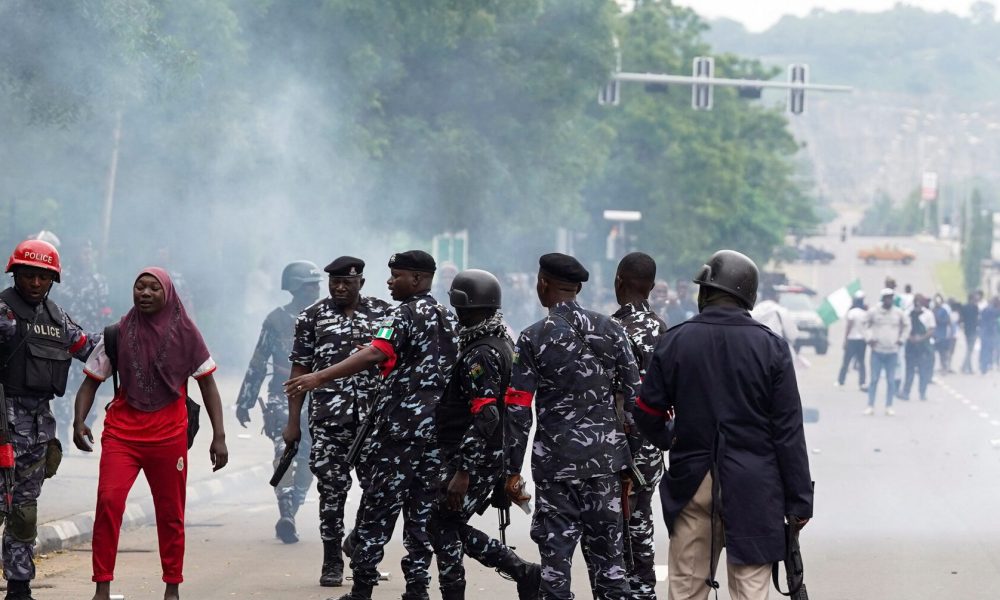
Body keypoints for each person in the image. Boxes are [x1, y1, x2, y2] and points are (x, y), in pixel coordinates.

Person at [634, 249, 813, 600]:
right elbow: (788, 432)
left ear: (706, 293)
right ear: (748, 296)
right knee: (750, 588)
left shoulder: (676, 340)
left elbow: (647, 413)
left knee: (686, 587)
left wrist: (672, 437)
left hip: (692, 481)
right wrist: (799, 501)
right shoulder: (772, 347)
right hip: (754, 486)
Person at [284, 250, 458, 600]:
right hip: (431, 430)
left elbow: (377, 352)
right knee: (419, 512)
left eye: (396, 275)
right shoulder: (447, 316)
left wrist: (320, 377)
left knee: (377, 508)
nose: (390, 281)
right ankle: (417, 587)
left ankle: (361, 588)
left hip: (397, 430)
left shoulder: (400, 313)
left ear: (417, 279)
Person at [73, 267, 229, 600]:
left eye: (153, 288)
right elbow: (90, 382)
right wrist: (78, 420)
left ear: (168, 294)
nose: (144, 293)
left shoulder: (187, 333)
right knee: (108, 503)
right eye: (139, 287)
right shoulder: (116, 333)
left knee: (171, 514)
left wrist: (219, 436)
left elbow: (208, 385)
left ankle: (172, 586)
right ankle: (102, 586)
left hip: (169, 436)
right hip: (122, 435)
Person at [506, 253, 640, 600]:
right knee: (611, 571)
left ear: (543, 284)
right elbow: (634, 401)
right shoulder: (612, 330)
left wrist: (511, 470)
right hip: (605, 467)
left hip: (556, 470)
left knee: (555, 573)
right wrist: (629, 462)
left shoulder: (533, 338)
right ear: (578, 288)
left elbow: (518, 410)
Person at [428, 269, 540, 600]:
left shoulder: (480, 353)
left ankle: (521, 572)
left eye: (460, 308)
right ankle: (520, 572)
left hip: (475, 457)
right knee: (444, 523)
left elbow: (487, 414)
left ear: (471, 309)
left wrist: (463, 471)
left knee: (441, 523)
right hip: (487, 453)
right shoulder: (501, 341)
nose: (456, 314)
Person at [284, 256, 391, 586]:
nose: (340, 288)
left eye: (347, 282)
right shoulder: (311, 316)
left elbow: (396, 359)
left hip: (373, 420)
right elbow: (300, 368)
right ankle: (331, 560)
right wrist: (293, 422)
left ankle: (359, 546)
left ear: (361, 282)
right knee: (332, 492)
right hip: (329, 420)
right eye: (335, 282)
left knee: (378, 491)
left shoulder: (384, 313)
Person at [0, 239, 96, 600]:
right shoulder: (3, 314)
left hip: (37, 432)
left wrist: (131, 338)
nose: (36, 283)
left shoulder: (57, 319)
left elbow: (91, 348)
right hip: (2, 427)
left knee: (24, 513)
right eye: (29, 275)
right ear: (15, 274)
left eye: (44, 277)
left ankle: (19, 587)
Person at [235, 261, 323, 544]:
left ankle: (291, 512)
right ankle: (286, 512)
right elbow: (259, 362)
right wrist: (245, 402)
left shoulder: (327, 317)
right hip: (282, 396)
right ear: (295, 288)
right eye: (310, 285)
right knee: (284, 453)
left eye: (317, 285)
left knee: (309, 460)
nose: (317, 289)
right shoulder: (275, 320)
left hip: (319, 399)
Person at [609, 253, 667, 600]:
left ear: (618, 281)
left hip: (618, 447)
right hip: (652, 446)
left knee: (617, 528)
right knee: (641, 520)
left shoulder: (611, 329)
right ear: (652, 287)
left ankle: (629, 590)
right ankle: (644, 589)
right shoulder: (663, 329)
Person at [864, 288, 908, 416]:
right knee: (874, 379)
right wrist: (869, 338)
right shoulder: (874, 312)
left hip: (892, 351)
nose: (889, 300)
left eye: (891, 298)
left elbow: (907, 325)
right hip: (877, 350)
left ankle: (889, 406)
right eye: (887, 298)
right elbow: (864, 324)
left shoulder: (898, 313)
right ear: (883, 299)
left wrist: (902, 339)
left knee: (890, 380)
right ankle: (870, 406)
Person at [899, 294, 935, 402]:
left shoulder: (928, 314)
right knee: (909, 370)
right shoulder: (907, 313)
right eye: (916, 301)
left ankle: (922, 393)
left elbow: (931, 329)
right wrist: (910, 337)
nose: (917, 303)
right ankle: (906, 392)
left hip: (923, 346)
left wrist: (921, 338)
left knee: (923, 371)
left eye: (919, 301)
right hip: (911, 346)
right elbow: (902, 327)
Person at [837, 291, 868, 391]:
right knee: (861, 362)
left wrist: (845, 340)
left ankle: (841, 380)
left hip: (852, 339)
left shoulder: (852, 312)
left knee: (846, 361)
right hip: (862, 340)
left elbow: (849, 327)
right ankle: (862, 382)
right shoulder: (865, 313)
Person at [931, 294, 955, 374]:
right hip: (933, 334)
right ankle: (932, 368)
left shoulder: (944, 311)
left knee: (943, 353)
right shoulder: (932, 311)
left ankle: (944, 368)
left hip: (942, 335)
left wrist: (951, 333)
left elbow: (948, 322)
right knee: (932, 353)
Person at [959, 292, 981, 374]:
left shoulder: (964, 307)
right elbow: (977, 319)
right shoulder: (975, 307)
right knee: (970, 350)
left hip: (967, 330)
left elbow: (961, 318)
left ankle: (967, 367)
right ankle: (965, 367)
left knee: (969, 349)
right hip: (973, 330)